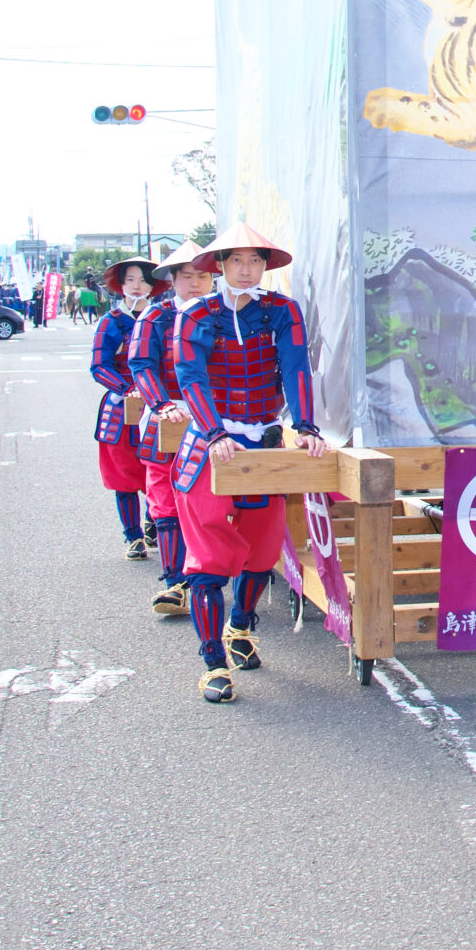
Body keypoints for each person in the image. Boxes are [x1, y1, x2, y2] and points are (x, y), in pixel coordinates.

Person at [173, 225, 326, 705]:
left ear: (265, 265)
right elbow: (190, 374)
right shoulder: (196, 314)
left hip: (263, 442)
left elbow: (295, 365)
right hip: (209, 446)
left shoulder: (282, 310)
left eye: (255, 260)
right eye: (236, 260)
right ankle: (213, 663)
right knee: (209, 562)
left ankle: (240, 627)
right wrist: (214, 431)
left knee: (261, 552)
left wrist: (305, 425)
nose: (246, 269)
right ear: (219, 265)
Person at [129, 244, 211, 613]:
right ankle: (175, 582)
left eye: (203, 276)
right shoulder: (155, 317)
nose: (195, 284)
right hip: (169, 414)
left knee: (213, 499)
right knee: (164, 498)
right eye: (187, 276)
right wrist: (161, 404)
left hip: (216, 417)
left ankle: (210, 574)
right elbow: (141, 364)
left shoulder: (224, 314)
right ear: (173, 280)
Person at [91, 256, 166, 560]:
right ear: (121, 285)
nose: (137, 286)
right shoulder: (110, 321)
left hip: (160, 404)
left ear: (153, 286)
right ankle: (133, 536)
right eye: (131, 279)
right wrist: (127, 388)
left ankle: (154, 520)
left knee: (159, 468)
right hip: (120, 410)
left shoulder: (163, 317)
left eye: (144, 280)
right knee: (124, 476)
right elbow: (99, 365)